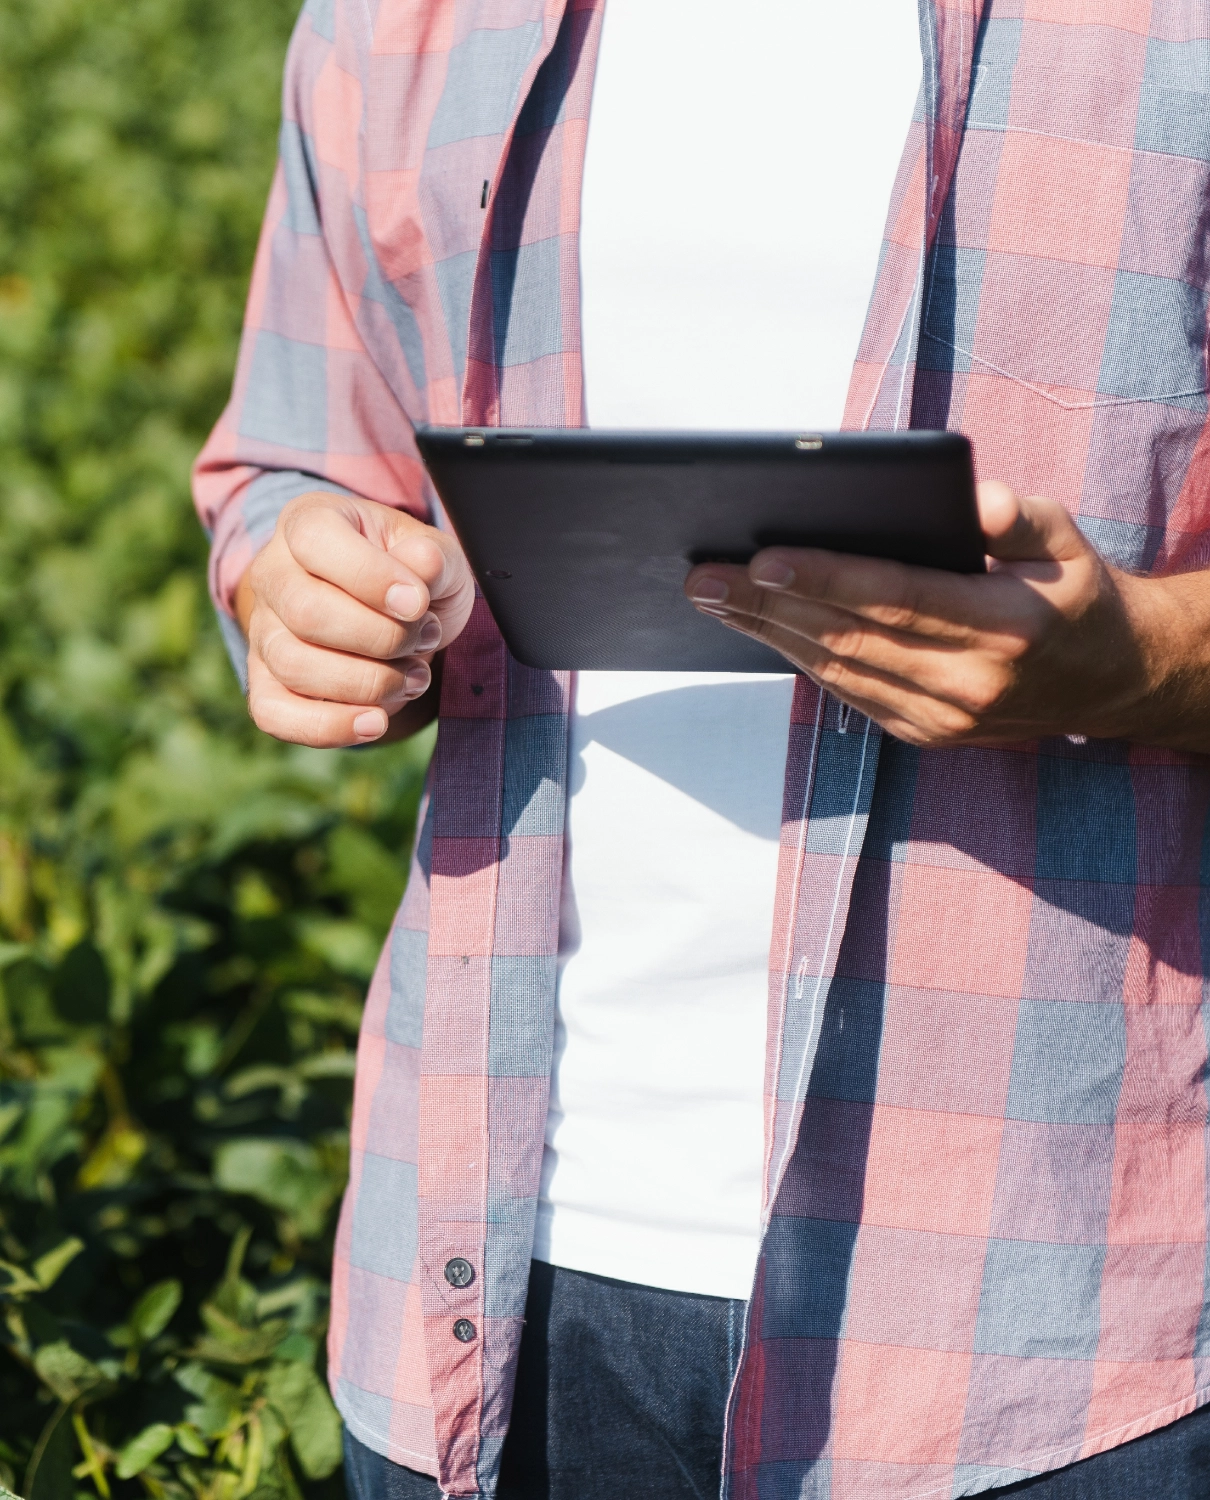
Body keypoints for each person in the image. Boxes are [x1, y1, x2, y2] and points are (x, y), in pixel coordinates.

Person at [193, 0, 1210, 1495]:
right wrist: (296, 582)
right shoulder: (400, 21)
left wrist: (1138, 664)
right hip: (484, 1273)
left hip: (1053, 1306)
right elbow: (288, 461)